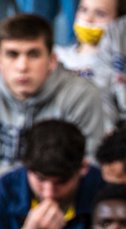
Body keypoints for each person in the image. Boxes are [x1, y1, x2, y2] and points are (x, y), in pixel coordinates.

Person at [0, 13, 113, 169]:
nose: (22, 66)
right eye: (12, 55)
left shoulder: (80, 96)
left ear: (52, 60)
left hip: (55, 183)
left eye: (33, 54)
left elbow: (89, 166)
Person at [54, 0, 126, 83]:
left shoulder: (122, 67)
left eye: (100, 14)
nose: (88, 19)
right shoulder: (57, 55)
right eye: (83, 10)